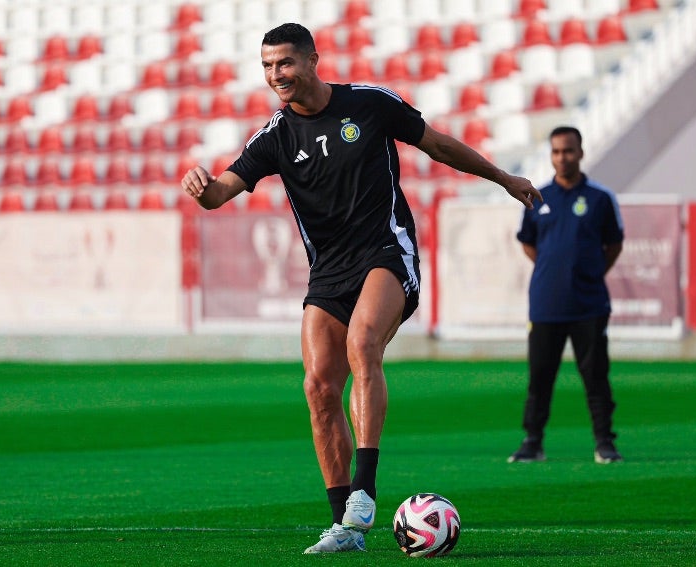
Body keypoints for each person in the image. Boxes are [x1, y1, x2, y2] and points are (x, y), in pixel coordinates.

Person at [181, 23, 542, 554]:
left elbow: (438, 144)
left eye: (284, 63)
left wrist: (505, 179)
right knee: (318, 387)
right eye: (266, 66)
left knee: (362, 342)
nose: (275, 74)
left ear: (312, 61)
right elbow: (218, 196)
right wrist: (201, 187)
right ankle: (346, 528)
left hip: (385, 253)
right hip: (328, 272)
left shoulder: (370, 103)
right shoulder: (275, 137)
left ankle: (365, 490)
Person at [509, 126, 624, 465]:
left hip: (589, 304)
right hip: (546, 304)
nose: (562, 157)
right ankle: (533, 441)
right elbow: (529, 244)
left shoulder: (601, 198)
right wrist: (553, 269)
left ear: (581, 153)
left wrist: (588, 273)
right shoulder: (537, 197)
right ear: (551, 155)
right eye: (557, 151)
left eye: (569, 151)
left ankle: (604, 442)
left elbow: (614, 244)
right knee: (540, 377)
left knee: (596, 377)